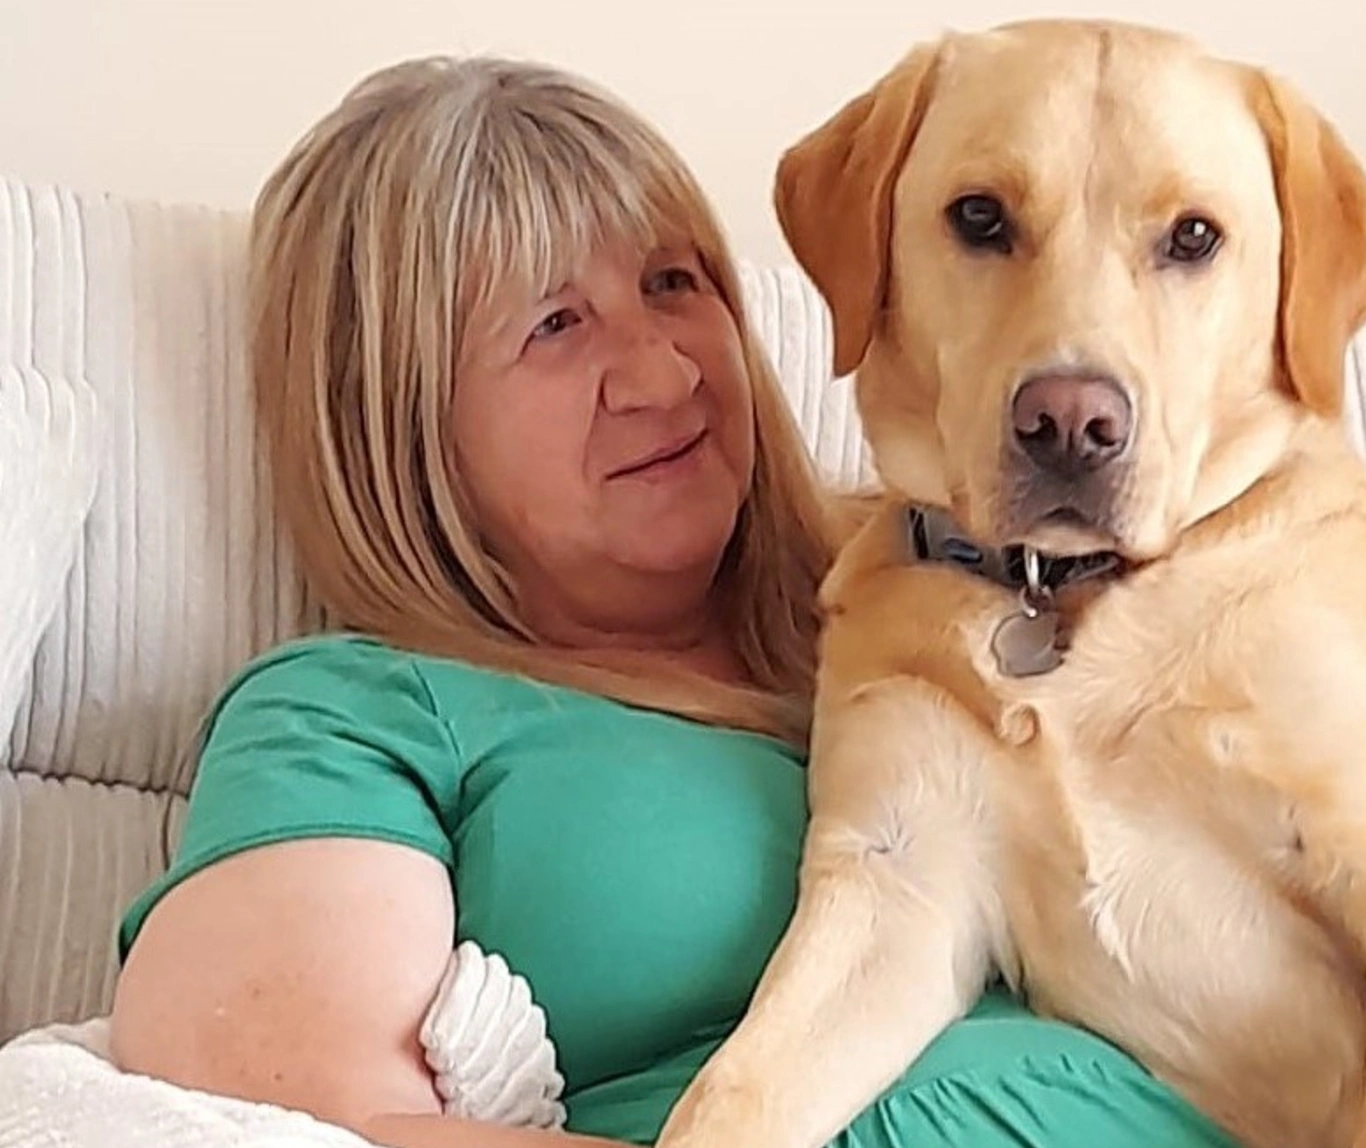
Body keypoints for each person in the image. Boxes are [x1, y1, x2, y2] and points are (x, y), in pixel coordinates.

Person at [103, 55, 1239, 1148]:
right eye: (555, 325)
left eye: (673, 284)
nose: (665, 373)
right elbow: (303, 1123)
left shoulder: (976, 579)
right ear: (398, 419)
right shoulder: (354, 710)